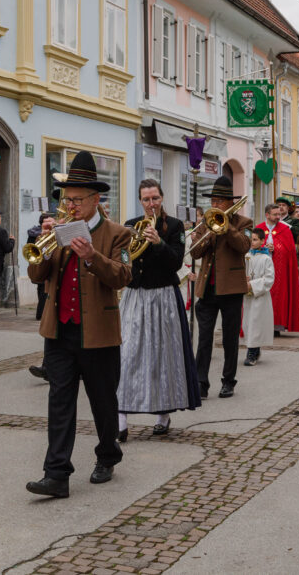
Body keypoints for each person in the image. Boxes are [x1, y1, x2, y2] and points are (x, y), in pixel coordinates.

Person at [22, 152, 131, 498]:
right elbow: (36, 273)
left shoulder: (118, 234)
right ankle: (56, 474)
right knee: (60, 402)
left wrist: (91, 256)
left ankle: (108, 453)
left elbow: (123, 275)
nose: (70, 206)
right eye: (66, 199)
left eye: (77, 200)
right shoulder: (58, 232)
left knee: (102, 402)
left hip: (98, 333)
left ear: (96, 200)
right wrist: (44, 243)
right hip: (60, 332)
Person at [116, 179, 200, 442]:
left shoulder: (174, 226)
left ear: (162, 198)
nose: (151, 204)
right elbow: (123, 257)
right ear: (140, 201)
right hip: (135, 295)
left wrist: (158, 243)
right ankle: (120, 417)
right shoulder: (131, 224)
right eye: (146, 199)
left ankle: (162, 415)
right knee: (126, 354)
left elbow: (176, 262)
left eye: (155, 198)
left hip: (163, 296)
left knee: (163, 356)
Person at [191, 176, 253, 399]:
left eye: (219, 201)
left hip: (231, 290)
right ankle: (200, 383)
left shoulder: (243, 223)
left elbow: (244, 246)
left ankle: (228, 381)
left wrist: (226, 228)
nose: (215, 205)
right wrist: (208, 233)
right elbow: (195, 252)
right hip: (207, 288)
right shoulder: (205, 222)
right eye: (213, 201)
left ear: (229, 202)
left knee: (229, 339)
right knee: (205, 339)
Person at [257, 203, 299, 334]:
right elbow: (251, 245)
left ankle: (276, 325)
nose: (278, 217)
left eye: (279, 214)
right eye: (275, 214)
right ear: (267, 215)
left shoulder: (285, 229)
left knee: (277, 296)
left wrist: (276, 247)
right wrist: (264, 247)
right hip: (261, 270)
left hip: (279, 271)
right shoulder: (259, 229)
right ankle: (260, 324)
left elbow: (290, 250)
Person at [28, 211, 56, 380]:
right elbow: (35, 271)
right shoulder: (41, 234)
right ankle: (47, 366)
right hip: (49, 288)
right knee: (50, 331)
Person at [242, 229, 275, 366]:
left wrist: (252, 284)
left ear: (262, 241)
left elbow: (269, 279)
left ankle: (252, 352)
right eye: (251, 239)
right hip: (247, 297)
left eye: (255, 239)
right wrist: (243, 279)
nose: (252, 242)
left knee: (256, 324)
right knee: (248, 324)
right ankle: (253, 349)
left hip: (260, 297)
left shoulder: (266, 259)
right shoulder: (245, 256)